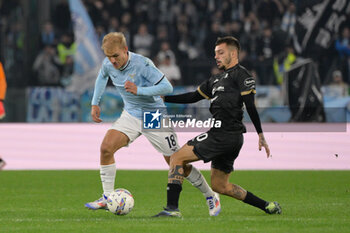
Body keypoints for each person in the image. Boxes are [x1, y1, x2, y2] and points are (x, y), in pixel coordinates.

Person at [85, 32, 221, 216]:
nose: (112, 61)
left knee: (176, 162)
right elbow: (102, 77)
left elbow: (167, 87)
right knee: (106, 148)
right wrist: (95, 102)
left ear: (125, 50)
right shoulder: (108, 63)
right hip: (131, 114)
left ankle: (210, 195)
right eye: (108, 57)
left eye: (116, 56)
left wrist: (139, 90)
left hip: (153, 115)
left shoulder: (143, 64)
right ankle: (108, 196)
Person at [154, 36, 282, 217]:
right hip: (229, 137)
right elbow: (192, 97)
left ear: (233, 53)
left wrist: (260, 134)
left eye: (221, 53)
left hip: (225, 134)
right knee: (220, 186)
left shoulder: (242, 75)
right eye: (215, 53)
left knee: (176, 158)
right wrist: (165, 98)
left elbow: (250, 105)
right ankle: (267, 206)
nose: (217, 57)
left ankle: (172, 209)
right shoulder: (215, 79)